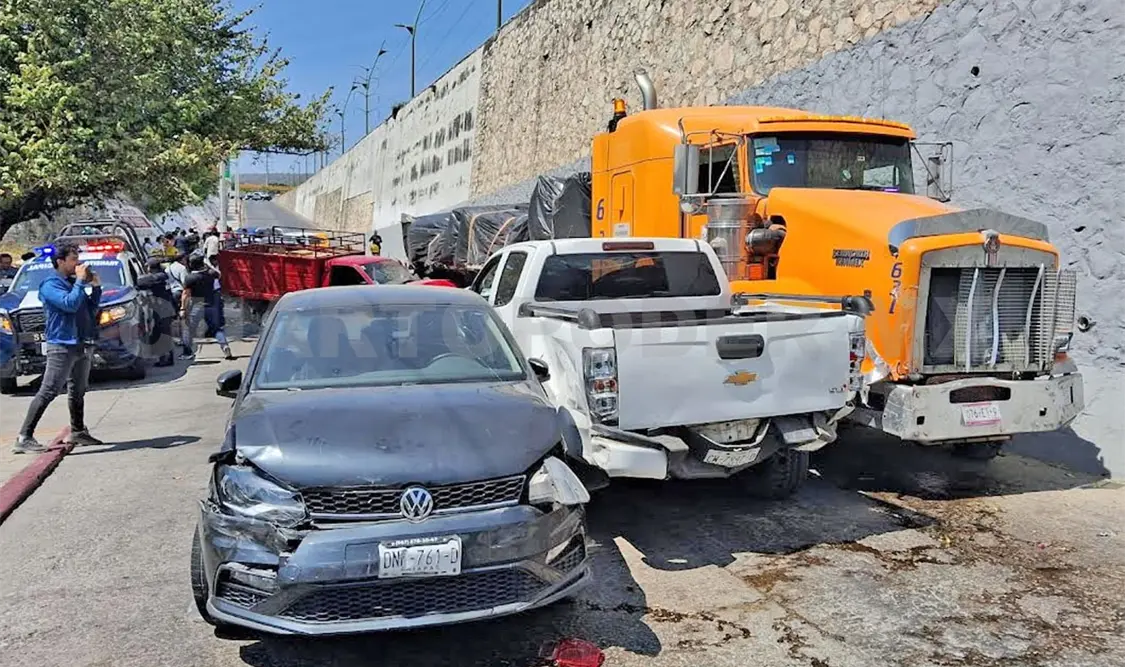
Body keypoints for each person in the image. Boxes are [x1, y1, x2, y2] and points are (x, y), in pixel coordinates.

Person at [13, 244, 104, 453]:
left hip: (81, 343)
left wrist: (96, 287)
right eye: (73, 259)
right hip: (62, 345)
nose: (78, 263)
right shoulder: (50, 285)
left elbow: (89, 310)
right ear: (60, 261)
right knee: (48, 390)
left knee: (78, 390)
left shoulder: (73, 284)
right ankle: (24, 437)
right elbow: (69, 305)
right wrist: (81, 282)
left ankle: (78, 430)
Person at [181, 254, 233, 360]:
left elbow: (186, 294)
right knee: (216, 329)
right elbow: (219, 275)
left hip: (196, 305)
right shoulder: (210, 274)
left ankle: (187, 353)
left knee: (188, 329)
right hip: (211, 304)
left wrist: (183, 308)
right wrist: (207, 266)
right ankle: (224, 346)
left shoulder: (190, 278)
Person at [146, 258, 176, 367]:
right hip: (163, 308)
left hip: (163, 309)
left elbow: (142, 281)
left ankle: (166, 359)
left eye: (148, 267)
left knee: (163, 334)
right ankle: (165, 357)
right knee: (161, 333)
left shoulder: (160, 276)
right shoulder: (161, 275)